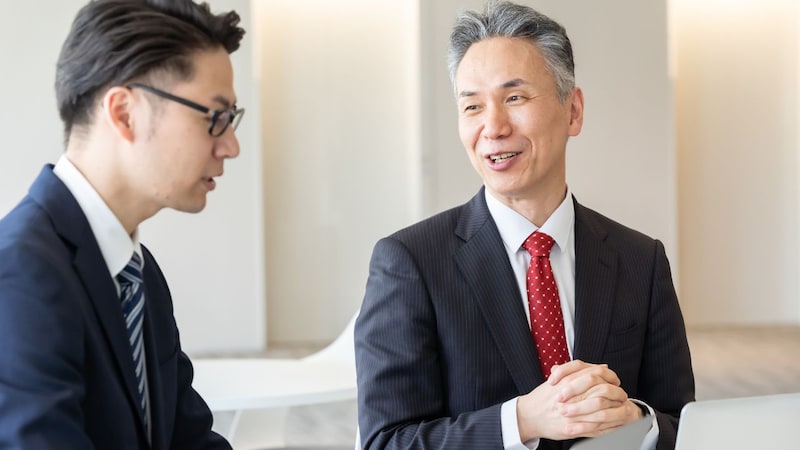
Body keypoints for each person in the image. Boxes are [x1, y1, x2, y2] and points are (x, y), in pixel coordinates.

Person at [354, 1, 695, 449]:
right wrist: (520, 421)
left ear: (573, 111)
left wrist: (638, 421)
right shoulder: (411, 263)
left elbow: (683, 425)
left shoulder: (640, 260)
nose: (493, 127)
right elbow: (387, 441)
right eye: (472, 106)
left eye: (514, 98)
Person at [0, 0, 245, 448]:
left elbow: (188, 439)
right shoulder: (20, 273)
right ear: (124, 113)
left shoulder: (139, 272)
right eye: (215, 118)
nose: (231, 146)